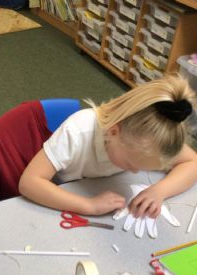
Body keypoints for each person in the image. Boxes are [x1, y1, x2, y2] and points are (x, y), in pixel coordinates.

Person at [19, 74, 197, 218]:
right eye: (130, 164)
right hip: (64, 189)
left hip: (100, 185)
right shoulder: (78, 131)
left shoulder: (154, 139)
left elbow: (192, 162)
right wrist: (89, 206)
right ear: (113, 132)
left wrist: (159, 191)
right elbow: (29, 182)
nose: (135, 172)